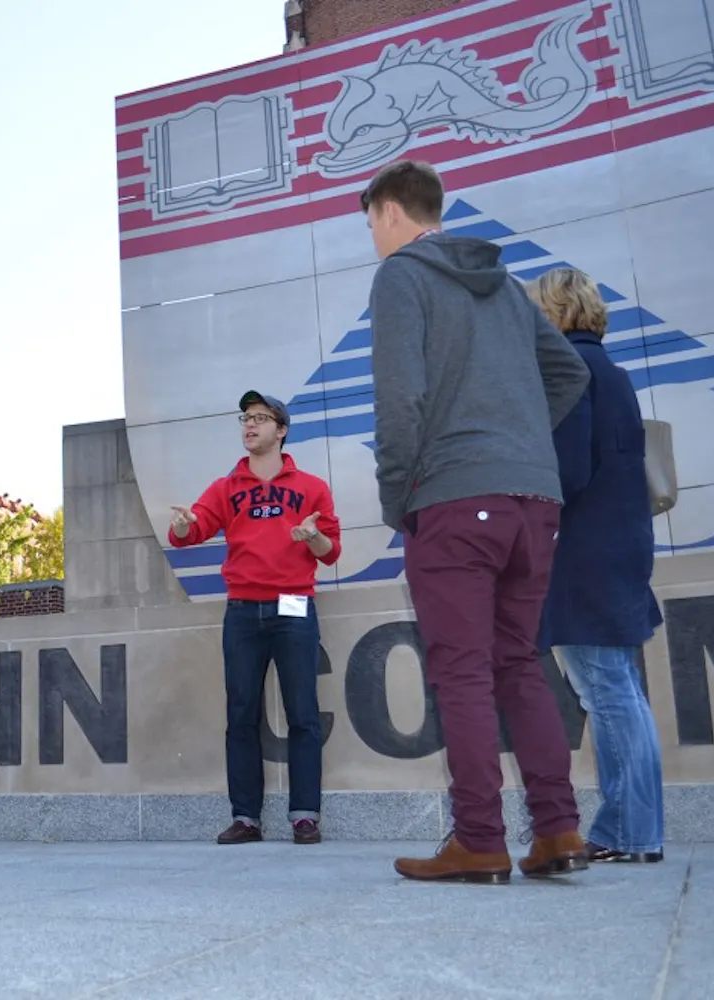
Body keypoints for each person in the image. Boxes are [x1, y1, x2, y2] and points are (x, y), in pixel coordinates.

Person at [363, 159, 593, 883]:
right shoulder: (507, 288)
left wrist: (400, 495)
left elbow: (399, 400)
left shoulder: (401, 275)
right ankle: (557, 832)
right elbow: (571, 374)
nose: (372, 236)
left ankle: (480, 839)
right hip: (534, 502)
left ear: (394, 212)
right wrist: (519, 441)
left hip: (457, 500)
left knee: (461, 672)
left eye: (370, 221)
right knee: (518, 665)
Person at [527, 268, 665, 865]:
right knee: (619, 689)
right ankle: (628, 829)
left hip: (580, 554)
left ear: (553, 310)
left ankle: (632, 831)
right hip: (620, 547)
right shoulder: (613, 373)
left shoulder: (569, 373)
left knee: (606, 692)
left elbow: (567, 472)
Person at [169, 391, 341, 846]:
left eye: (260, 418)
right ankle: (246, 817)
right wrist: (186, 525)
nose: (250, 425)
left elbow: (331, 552)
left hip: (293, 607)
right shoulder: (227, 487)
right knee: (240, 715)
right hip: (242, 611)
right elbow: (189, 532)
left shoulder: (311, 488)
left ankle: (305, 815)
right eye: (245, 418)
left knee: (302, 713)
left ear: (281, 430)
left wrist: (311, 538)